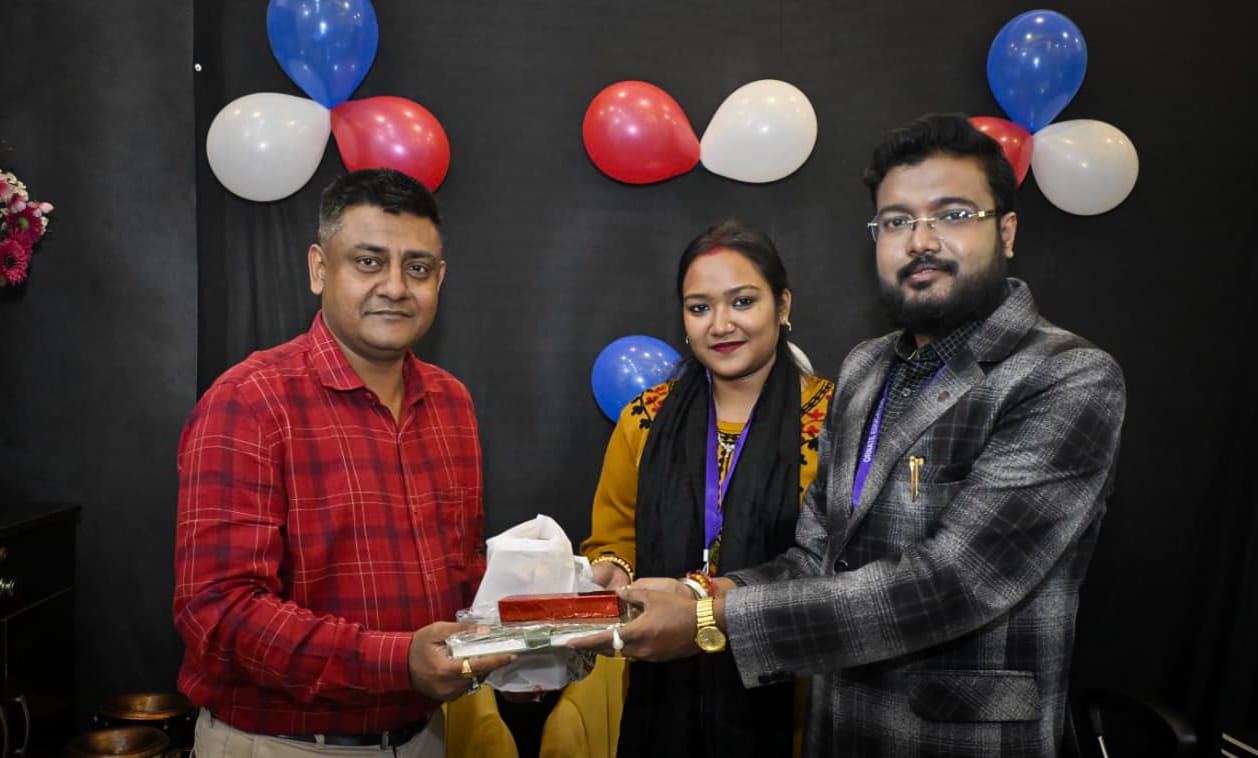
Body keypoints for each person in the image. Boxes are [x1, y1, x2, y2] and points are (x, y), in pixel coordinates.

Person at [575, 114, 1127, 757]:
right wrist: (703, 590)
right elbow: (814, 556)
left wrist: (707, 617)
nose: (921, 241)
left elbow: (951, 584)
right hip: (837, 729)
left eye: (952, 214)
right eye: (896, 221)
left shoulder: (1066, 377)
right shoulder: (867, 371)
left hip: (959, 741)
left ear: (1005, 231)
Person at [173, 168, 513, 758]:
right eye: (368, 262)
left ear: (440, 279)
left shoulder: (451, 402)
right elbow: (219, 613)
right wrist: (397, 662)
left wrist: (555, 610)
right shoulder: (250, 402)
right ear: (318, 269)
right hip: (284, 744)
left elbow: (463, 573)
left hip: (426, 737)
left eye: (417, 268)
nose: (395, 287)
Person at [578, 219, 836, 758]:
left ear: (783, 305)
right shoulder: (645, 420)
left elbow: (841, 567)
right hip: (662, 689)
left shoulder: (835, 420)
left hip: (796, 692)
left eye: (743, 302)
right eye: (700, 308)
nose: (721, 325)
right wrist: (612, 571)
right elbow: (612, 540)